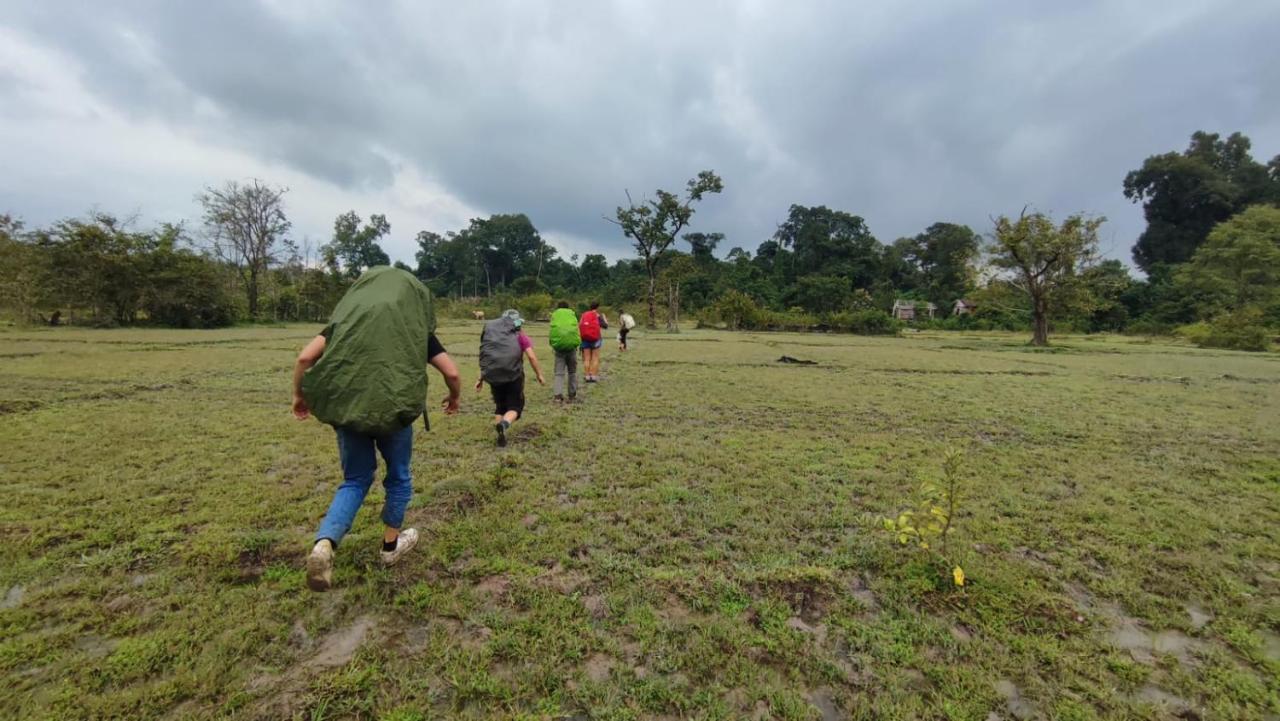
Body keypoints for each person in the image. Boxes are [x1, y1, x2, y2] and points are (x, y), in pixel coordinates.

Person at [292, 266, 462, 592]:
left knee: (355, 479)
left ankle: (324, 545)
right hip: (394, 416)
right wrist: (453, 399)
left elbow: (304, 359)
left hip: (349, 412)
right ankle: (389, 548)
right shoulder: (415, 329)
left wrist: (300, 396)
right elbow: (452, 373)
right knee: (398, 477)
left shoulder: (342, 324)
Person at [476, 309, 545, 446]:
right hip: (514, 376)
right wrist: (539, 375)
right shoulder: (520, 335)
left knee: (500, 407)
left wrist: (480, 378)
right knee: (515, 407)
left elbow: (487, 358)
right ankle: (504, 424)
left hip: (493, 376)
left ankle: (500, 432)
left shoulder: (492, 336)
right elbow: (531, 356)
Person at [548, 301, 581, 403]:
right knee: (572, 372)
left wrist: (553, 344)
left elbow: (552, 331)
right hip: (571, 347)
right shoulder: (572, 314)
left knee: (559, 373)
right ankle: (572, 395)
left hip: (559, 348)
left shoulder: (555, 315)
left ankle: (558, 396)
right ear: (568, 307)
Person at [578, 301, 608, 382]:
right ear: (597, 307)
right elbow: (605, 326)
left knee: (587, 358)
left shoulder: (584, 314)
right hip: (596, 339)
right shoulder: (598, 315)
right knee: (595, 358)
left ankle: (587, 376)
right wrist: (604, 318)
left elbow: (580, 325)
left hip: (585, 338)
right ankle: (593, 376)